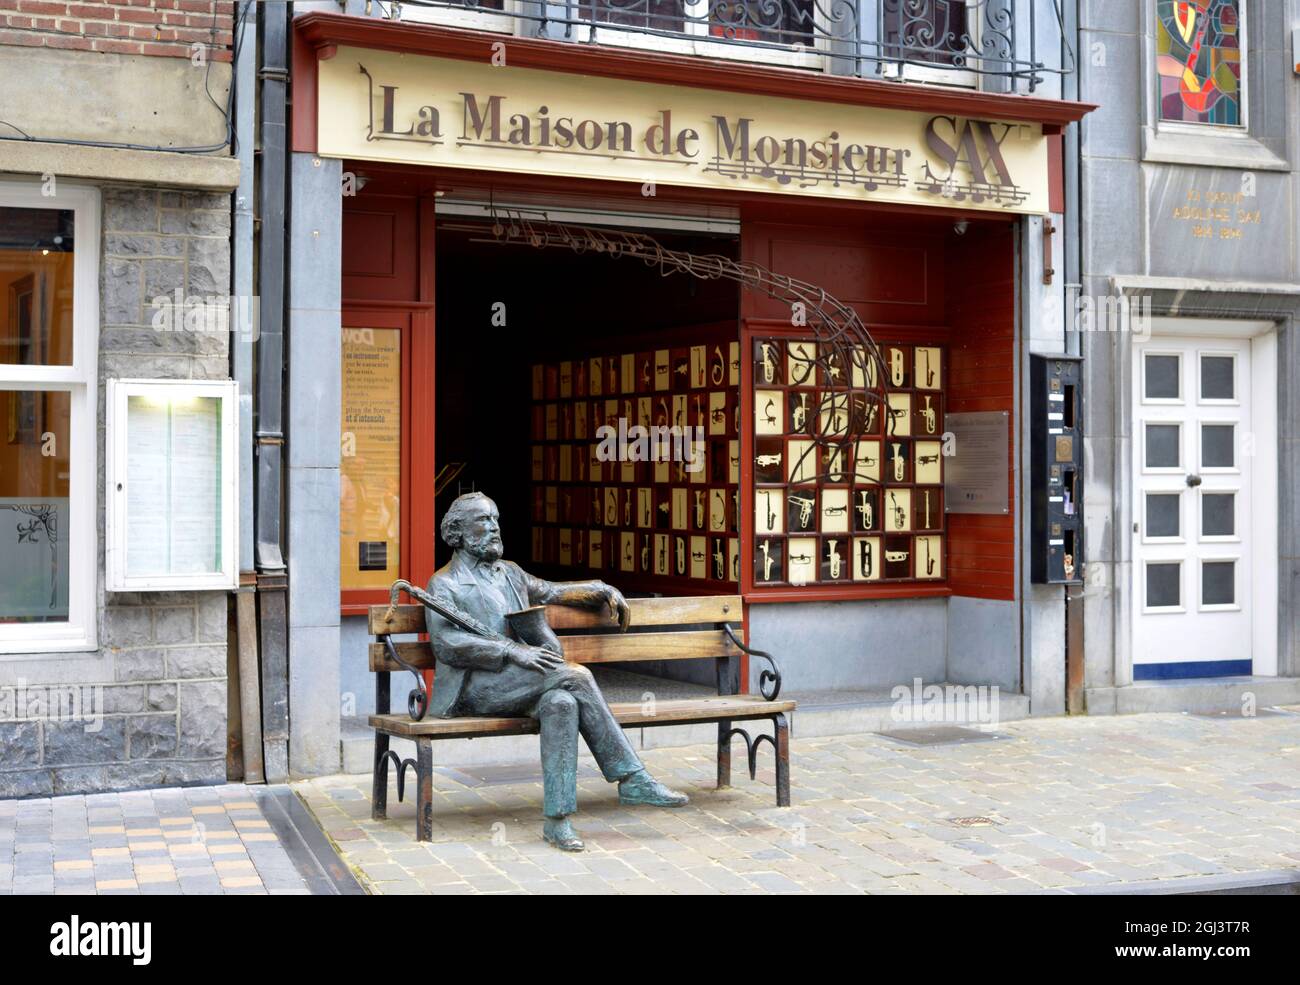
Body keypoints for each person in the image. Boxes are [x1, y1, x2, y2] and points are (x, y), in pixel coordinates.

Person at [425, 491, 688, 851]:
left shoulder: (510, 573)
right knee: (575, 676)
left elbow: (551, 592)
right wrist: (513, 651)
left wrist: (599, 588)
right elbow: (446, 645)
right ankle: (631, 777)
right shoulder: (445, 583)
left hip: (518, 684)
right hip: (473, 690)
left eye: (495, 519)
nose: (493, 528)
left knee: (562, 703)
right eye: (483, 521)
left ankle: (557, 821)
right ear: (457, 532)